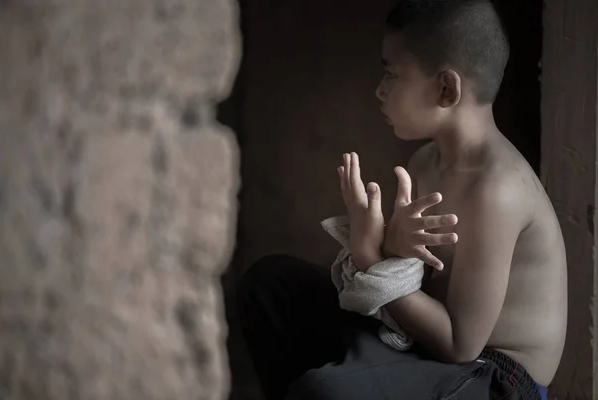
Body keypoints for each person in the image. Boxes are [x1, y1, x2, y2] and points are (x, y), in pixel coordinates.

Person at [237, 1, 567, 399]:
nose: (379, 89)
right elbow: (416, 281)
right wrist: (385, 246)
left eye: (392, 74)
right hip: (424, 344)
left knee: (323, 392)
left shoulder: (497, 189)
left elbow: (460, 345)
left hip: (495, 377)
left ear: (447, 88)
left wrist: (371, 260)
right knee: (270, 285)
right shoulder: (425, 161)